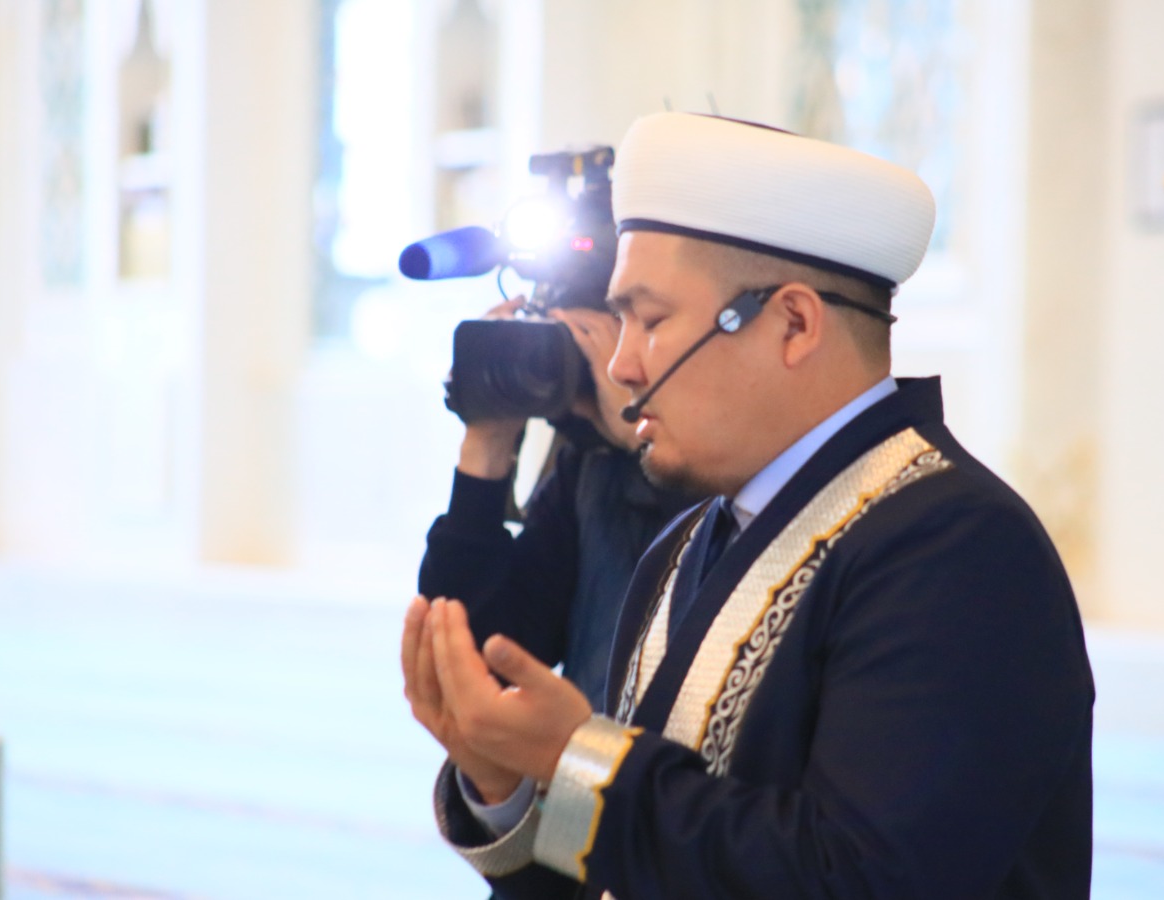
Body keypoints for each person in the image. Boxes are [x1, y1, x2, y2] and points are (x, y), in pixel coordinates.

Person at [402, 112, 1095, 899]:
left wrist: (581, 761)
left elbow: (863, 880)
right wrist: (512, 785)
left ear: (794, 324)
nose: (621, 364)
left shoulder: (958, 548)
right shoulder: (683, 545)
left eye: (651, 319)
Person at [418, 297, 701, 711]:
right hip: (588, 754)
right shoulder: (591, 463)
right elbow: (480, 658)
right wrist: (487, 443)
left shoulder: (741, 469)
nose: (617, 365)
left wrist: (640, 436)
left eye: (647, 322)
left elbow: (724, 580)